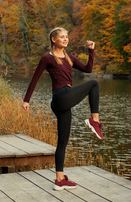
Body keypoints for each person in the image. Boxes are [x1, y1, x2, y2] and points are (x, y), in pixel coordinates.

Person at [22, 27, 104, 191]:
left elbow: (88, 69)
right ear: (54, 39)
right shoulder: (47, 58)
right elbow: (35, 78)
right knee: (93, 84)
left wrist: (91, 50)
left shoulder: (70, 58)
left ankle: (59, 179)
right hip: (60, 96)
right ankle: (94, 121)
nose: (66, 39)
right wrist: (26, 100)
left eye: (67, 37)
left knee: (62, 142)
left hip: (64, 101)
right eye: (62, 37)